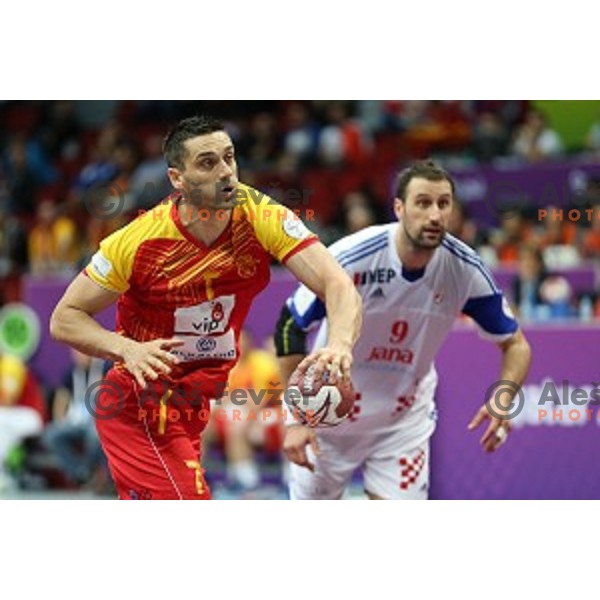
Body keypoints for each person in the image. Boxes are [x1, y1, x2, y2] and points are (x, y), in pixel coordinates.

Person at [50, 115, 361, 500]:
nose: (226, 172)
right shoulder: (137, 242)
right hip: (140, 402)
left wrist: (340, 345)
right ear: (177, 178)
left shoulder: (262, 216)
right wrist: (126, 348)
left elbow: (338, 284)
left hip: (193, 405)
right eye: (208, 163)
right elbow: (64, 318)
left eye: (229, 158)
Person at [275, 160, 532, 500]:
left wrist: (503, 399)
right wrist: (297, 416)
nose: (435, 215)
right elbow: (290, 324)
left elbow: (516, 344)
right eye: (423, 203)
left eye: (443, 204)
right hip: (329, 414)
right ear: (399, 208)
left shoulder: (464, 269)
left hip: (402, 422)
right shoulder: (353, 256)